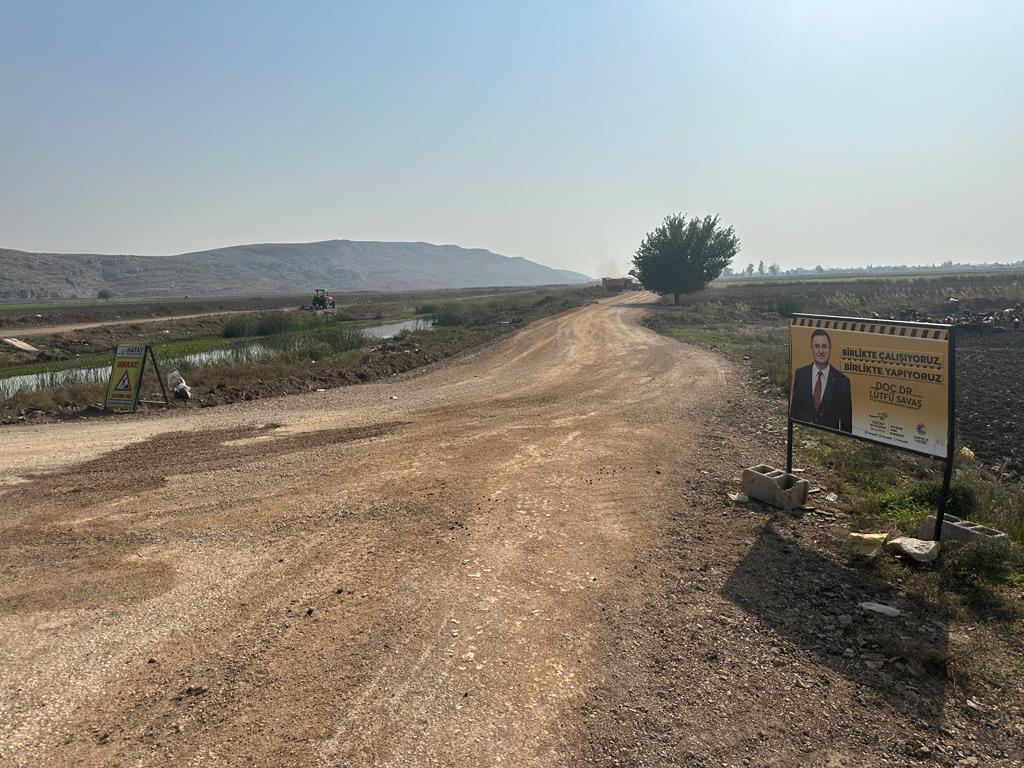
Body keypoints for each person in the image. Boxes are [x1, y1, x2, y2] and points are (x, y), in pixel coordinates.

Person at [791, 329, 852, 433]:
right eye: (817, 346)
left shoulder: (842, 381)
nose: (821, 351)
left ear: (830, 348)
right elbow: (794, 411)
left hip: (829, 439)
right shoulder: (800, 374)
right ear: (811, 348)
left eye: (824, 346)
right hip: (802, 435)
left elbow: (846, 425)